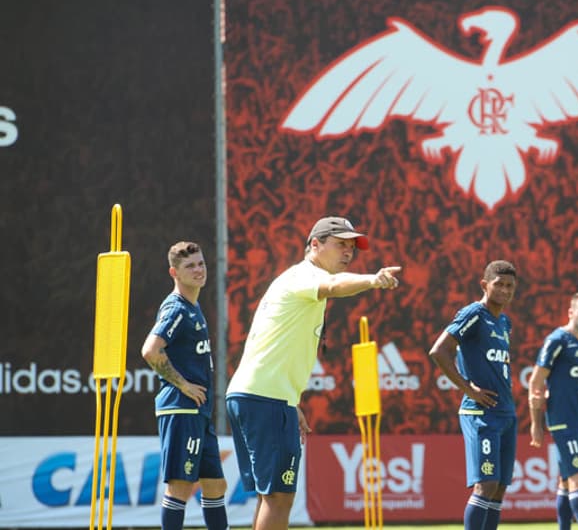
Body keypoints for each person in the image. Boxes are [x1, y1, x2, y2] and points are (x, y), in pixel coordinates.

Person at [226, 216, 400, 530]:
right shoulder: (305, 276)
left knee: (272, 497)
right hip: (263, 399)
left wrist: (291, 403)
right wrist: (373, 280)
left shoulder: (297, 279)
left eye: (351, 247)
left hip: (261, 397)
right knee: (279, 498)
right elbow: (333, 287)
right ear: (315, 245)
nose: (348, 253)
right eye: (340, 244)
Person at [141, 241, 228, 530]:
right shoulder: (176, 308)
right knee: (180, 486)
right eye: (190, 266)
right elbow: (151, 350)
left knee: (215, 484)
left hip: (198, 412)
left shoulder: (193, 306)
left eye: (201, 263)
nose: (198, 270)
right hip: (181, 409)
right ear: (174, 272)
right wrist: (183, 385)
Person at [428, 260, 518, 530]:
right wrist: (469, 389)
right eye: (498, 284)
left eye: (509, 286)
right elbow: (439, 351)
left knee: (499, 488)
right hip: (481, 414)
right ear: (484, 285)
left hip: (505, 413)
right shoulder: (474, 314)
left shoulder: (504, 322)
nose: (504, 290)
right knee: (486, 484)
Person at [529, 292, 578, 530]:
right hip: (563, 422)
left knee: (566, 481)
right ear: (571, 313)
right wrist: (536, 425)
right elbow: (536, 383)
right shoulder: (558, 340)